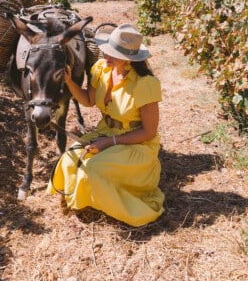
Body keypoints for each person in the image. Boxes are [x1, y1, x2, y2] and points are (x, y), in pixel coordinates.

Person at [47, 23, 165, 227]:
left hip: (135, 143)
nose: (105, 55)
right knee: (68, 159)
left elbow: (148, 132)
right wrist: (68, 81)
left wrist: (109, 142)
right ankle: (82, 199)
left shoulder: (145, 84)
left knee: (91, 169)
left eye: (112, 54)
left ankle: (103, 203)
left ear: (129, 59)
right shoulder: (101, 69)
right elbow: (88, 100)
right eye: (106, 50)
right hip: (106, 133)